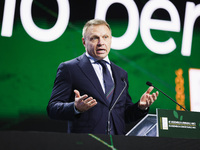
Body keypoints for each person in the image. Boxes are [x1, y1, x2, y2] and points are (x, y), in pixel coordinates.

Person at [47, 19, 159, 135]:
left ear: (111, 40)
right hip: (86, 143)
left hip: (117, 144)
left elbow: (122, 115)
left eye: (105, 37)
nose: (101, 42)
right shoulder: (70, 69)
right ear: (84, 42)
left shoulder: (121, 74)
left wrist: (140, 107)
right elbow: (52, 109)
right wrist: (75, 107)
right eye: (94, 38)